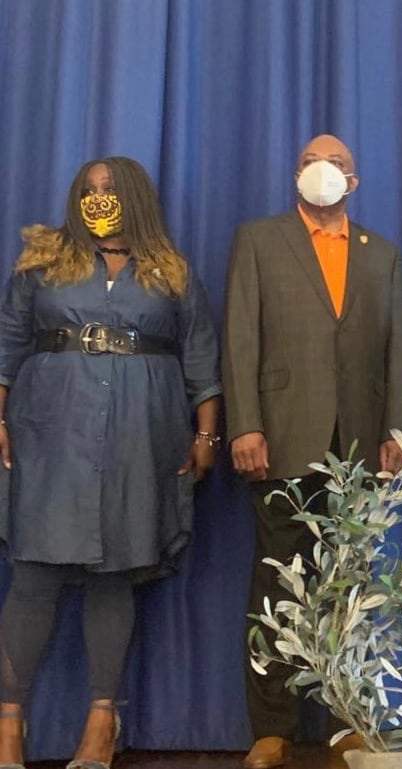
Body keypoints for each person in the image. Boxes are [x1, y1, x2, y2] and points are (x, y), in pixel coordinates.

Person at [0, 156, 221, 768]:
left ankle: (102, 723)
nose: (99, 198)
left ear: (136, 199)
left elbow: (202, 361)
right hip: (51, 433)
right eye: (89, 190)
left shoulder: (171, 273)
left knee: (113, 571)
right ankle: (8, 727)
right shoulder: (41, 264)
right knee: (35, 573)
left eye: (111, 190)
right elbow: (7, 344)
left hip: (139, 436)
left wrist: (206, 439)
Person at [223, 134, 402, 769]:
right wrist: (244, 424)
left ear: (353, 183)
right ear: (296, 174)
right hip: (280, 438)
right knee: (279, 587)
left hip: (358, 441)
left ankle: (345, 724)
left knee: (348, 588)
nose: (322, 171)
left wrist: (400, 429)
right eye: (310, 161)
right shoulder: (259, 240)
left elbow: (399, 351)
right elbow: (240, 337)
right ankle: (272, 729)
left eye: (335, 164)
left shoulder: (380, 255)